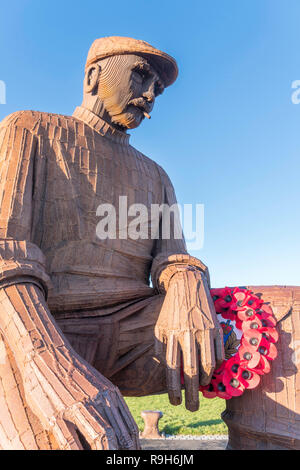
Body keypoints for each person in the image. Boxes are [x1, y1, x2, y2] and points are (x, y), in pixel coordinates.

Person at [0, 36, 224, 450]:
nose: (151, 94)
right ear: (92, 76)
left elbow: (171, 257)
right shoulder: (29, 129)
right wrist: (51, 366)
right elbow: (5, 258)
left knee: (261, 324)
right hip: (38, 325)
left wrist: (188, 283)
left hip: (134, 332)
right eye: (140, 75)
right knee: (75, 437)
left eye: (158, 87)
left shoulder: (156, 175)